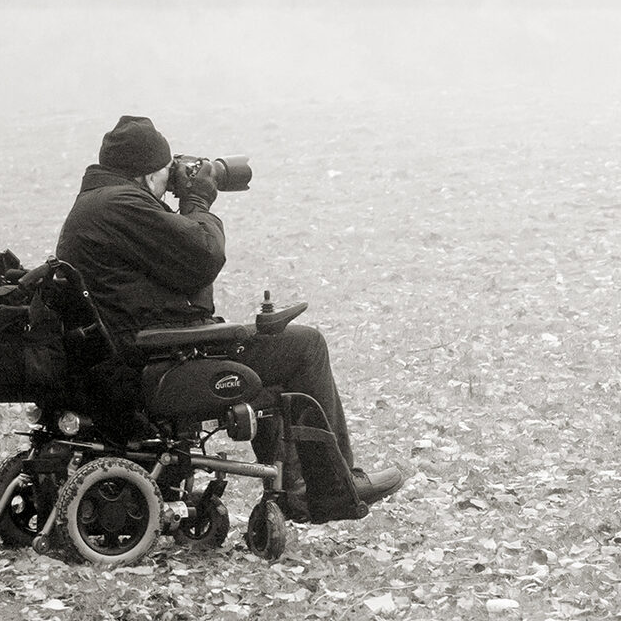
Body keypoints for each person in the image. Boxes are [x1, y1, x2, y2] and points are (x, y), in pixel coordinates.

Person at [55, 115, 409, 519]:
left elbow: (170, 274)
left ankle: (299, 491)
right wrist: (197, 201)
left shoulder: (97, 203)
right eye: (166, 171)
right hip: (152, 362)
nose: (169, 180)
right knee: (303, 347)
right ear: (148, 173)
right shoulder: (123, 205)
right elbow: (203, 256)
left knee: (270, 370)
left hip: (130, 356)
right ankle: (331, 491)